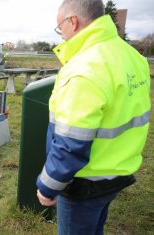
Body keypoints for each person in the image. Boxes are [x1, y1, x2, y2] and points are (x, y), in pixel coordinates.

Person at [35, 0, 151, 234]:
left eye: (60, 29)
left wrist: (48, 187)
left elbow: (71, 143)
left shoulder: (85, 68)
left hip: (85, 182)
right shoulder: (131, 56)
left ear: (73, 22)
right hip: (118, 171)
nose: (61, 36)